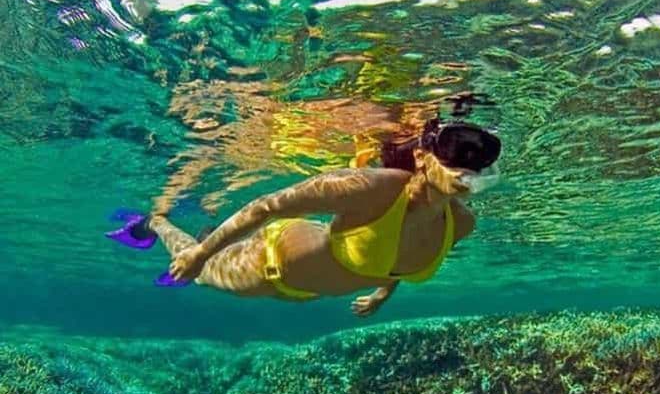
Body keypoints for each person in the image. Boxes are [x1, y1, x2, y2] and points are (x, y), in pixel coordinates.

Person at [106, 118, 501, 317]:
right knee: (204, 275)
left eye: (481, 164)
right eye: (455, 157)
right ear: (422, 156)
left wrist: (382, 294)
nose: (468, 172)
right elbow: (268, 205)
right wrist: (200, 256)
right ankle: (156, 222)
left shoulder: (461, 223)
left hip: (305, 289)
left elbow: (398, 260)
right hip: (267, 265)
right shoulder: (373, 187)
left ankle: (205, 237)